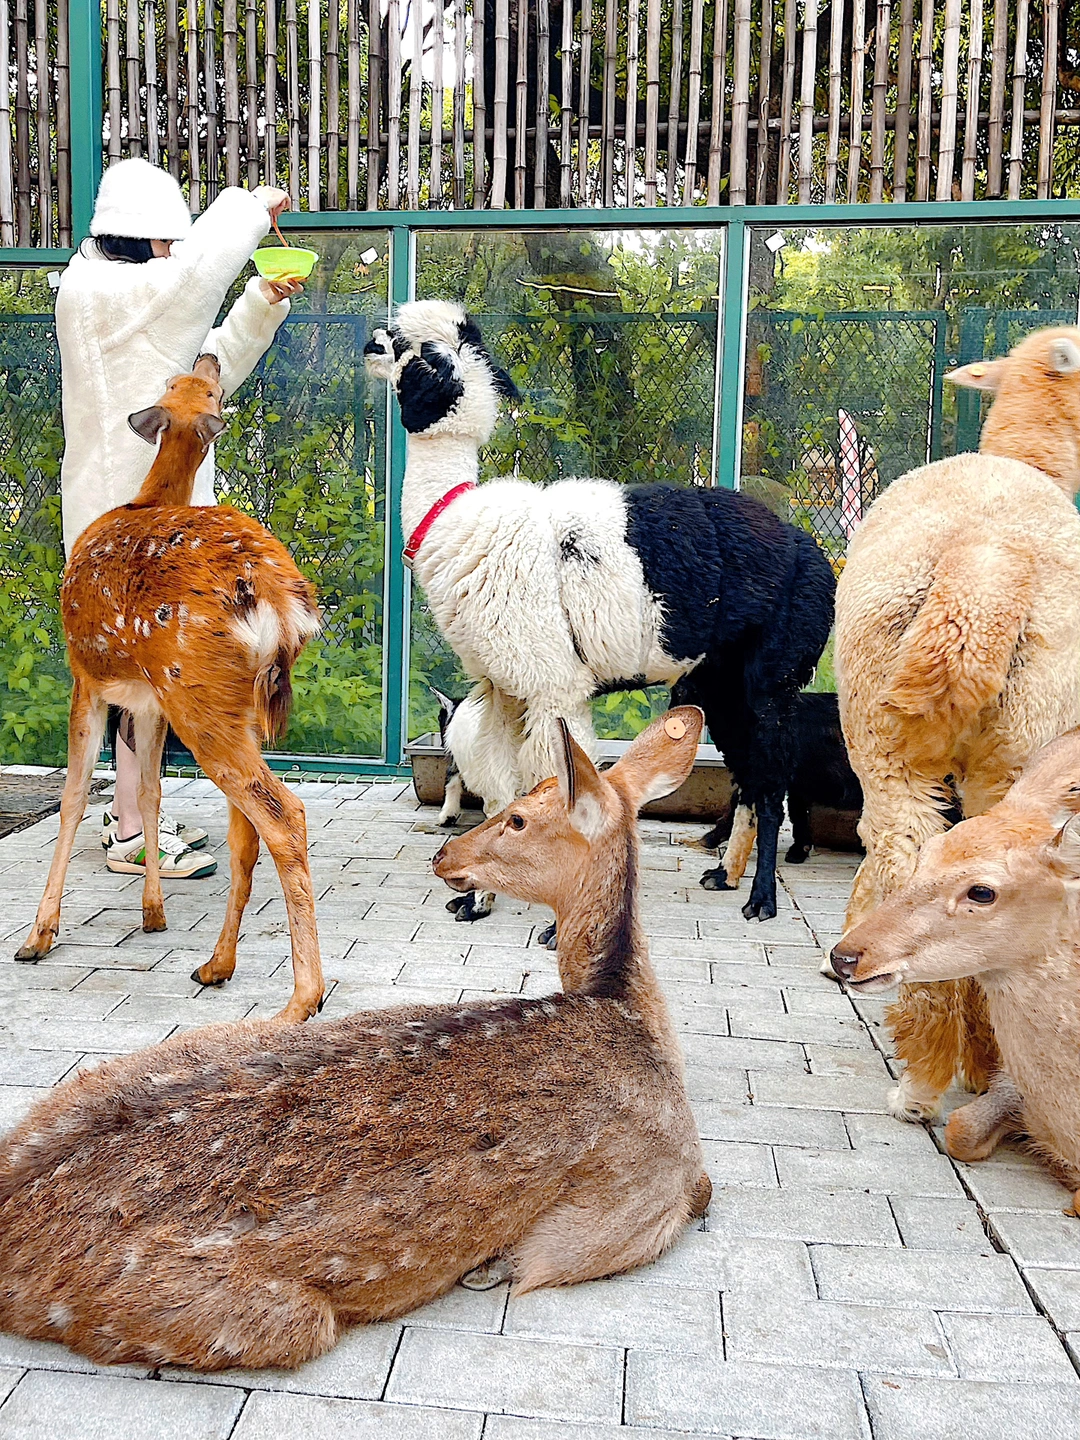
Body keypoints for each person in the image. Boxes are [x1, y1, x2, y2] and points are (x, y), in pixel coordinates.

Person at [55, 158, 302, 877]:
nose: (176, 254)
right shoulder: (95, 290)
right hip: (122, 520)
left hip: (154, 521)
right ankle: (132, 828)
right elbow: (194, 280)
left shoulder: (137, 301)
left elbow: (210, 365)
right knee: (141, 671)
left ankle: (131, 815)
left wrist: (261, 297)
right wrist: (254, 205)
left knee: (151, 671)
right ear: (142, 242)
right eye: (169, 242)